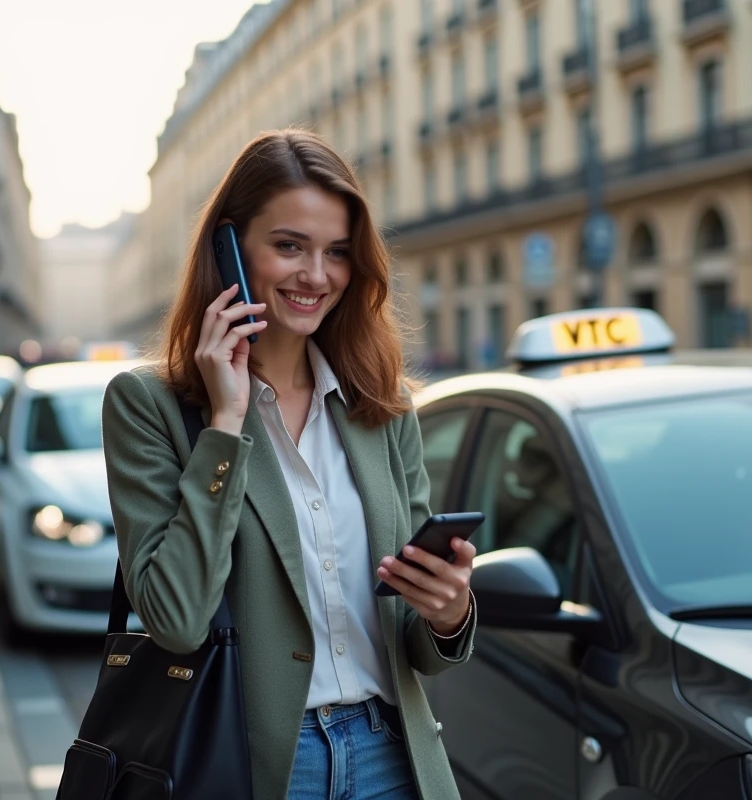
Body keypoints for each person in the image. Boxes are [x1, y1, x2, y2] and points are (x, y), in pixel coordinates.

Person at [102, 129, 477, 800]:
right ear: (231, 250)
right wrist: (224, 423)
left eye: (336, 253)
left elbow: (418, 646)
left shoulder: (381, 407)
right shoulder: (148, 406)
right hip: (257, 767)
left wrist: (449, 613)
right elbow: (176, 619)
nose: (316, 275)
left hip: (394, 757)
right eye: (288, 246)